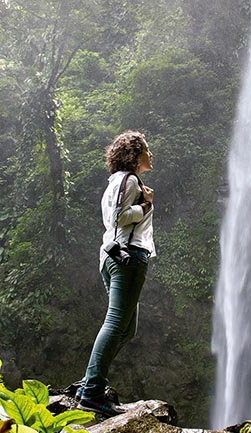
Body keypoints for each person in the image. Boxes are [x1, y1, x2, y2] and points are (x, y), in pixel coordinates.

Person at [77, 130, 155, 417]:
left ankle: (89, 382)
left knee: (127, 328)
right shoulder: (130, 180)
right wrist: (146, 205)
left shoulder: (115, 183)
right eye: (146, 149)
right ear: (135, 154)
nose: (150, 154)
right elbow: (120, 218)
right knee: (115, 323)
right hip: (126, 257)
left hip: (115, 256)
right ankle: (93, 391)